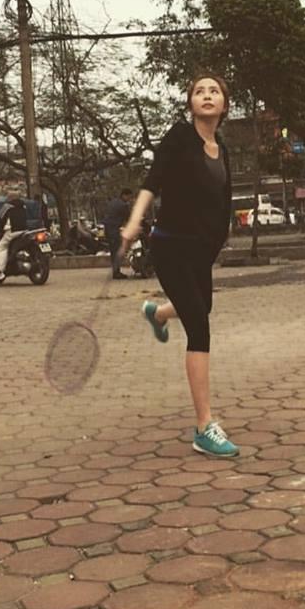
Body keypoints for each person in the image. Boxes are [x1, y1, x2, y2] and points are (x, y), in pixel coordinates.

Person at [119, 73, 238, 458]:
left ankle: (157, 313)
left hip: (201, 250)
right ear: (191, 104)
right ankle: (204, 427)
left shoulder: (222, 148)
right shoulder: (179, 136)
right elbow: (152, 181)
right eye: (199, 91)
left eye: (214, 91)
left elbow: (222, 199)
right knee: (198, 324)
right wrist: (135, 220)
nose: (207, 95)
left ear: (224, 104)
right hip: (170, 246)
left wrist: (221, 238)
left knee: (201, 306)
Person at [0, 191, 27, 285]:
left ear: (9, 198)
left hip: (12, 231)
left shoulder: (7, 207)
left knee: (1, 247)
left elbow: (0, 219)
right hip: (24, 230)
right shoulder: (23, 205)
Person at [103, 189, 134, 280]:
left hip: (108, 229)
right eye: (129, 197)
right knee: (117, 251)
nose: (129, 199)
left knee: (113, 251)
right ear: (124, 195)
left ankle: (116, 271)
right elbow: (128, 218)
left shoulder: (112, 202)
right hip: (114, 230)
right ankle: (116, 272)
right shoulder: (123, 205)